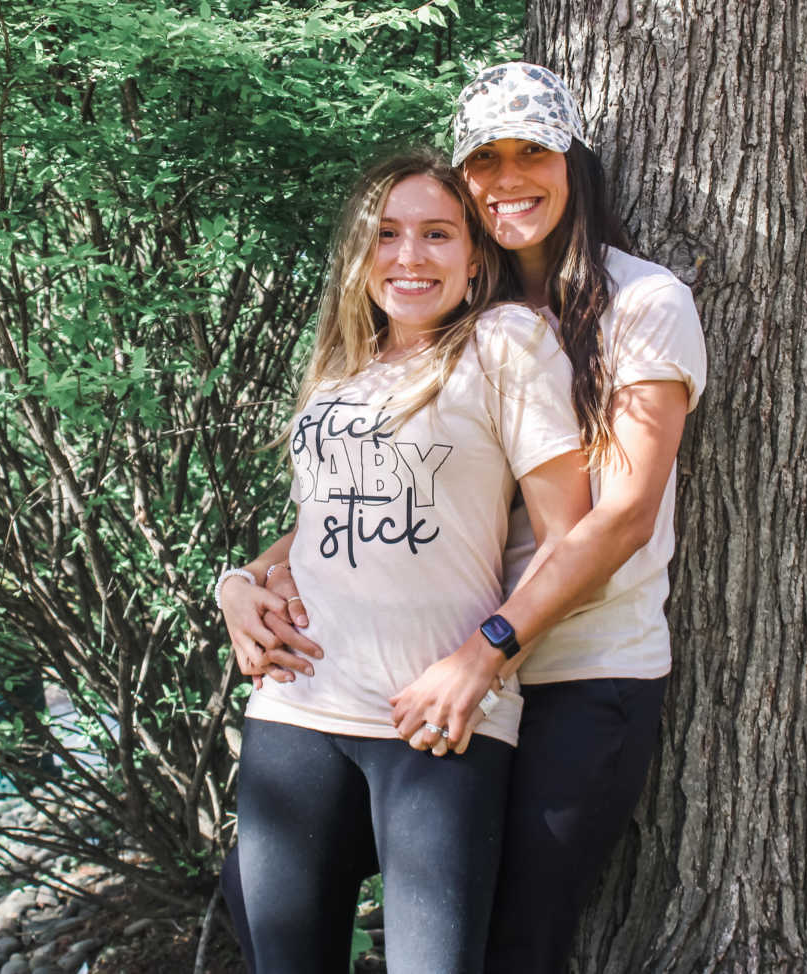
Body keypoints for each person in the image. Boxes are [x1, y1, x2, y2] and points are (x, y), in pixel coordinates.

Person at [222, 63, 707, 973]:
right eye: (486, 157)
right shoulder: (457, 318)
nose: (509, 176)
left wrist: (480, 655)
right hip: (414, 679)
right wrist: (245, 578)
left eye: (534, 151)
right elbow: (373, 494)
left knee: (510, 944)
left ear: (576, 161)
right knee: (265, 904)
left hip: (571, 665)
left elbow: (621, 517)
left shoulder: (640, 304)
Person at [216, 147, 590, 974]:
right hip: (297, 716)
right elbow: (321, 521)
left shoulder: (505, 345)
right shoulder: (343, 370)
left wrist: (480, 660)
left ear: (474, 255)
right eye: (386, 234)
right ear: (360, 253)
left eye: (437, 234)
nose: (409, 256)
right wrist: (237, 583)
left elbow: (574, 535)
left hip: (438, 722)